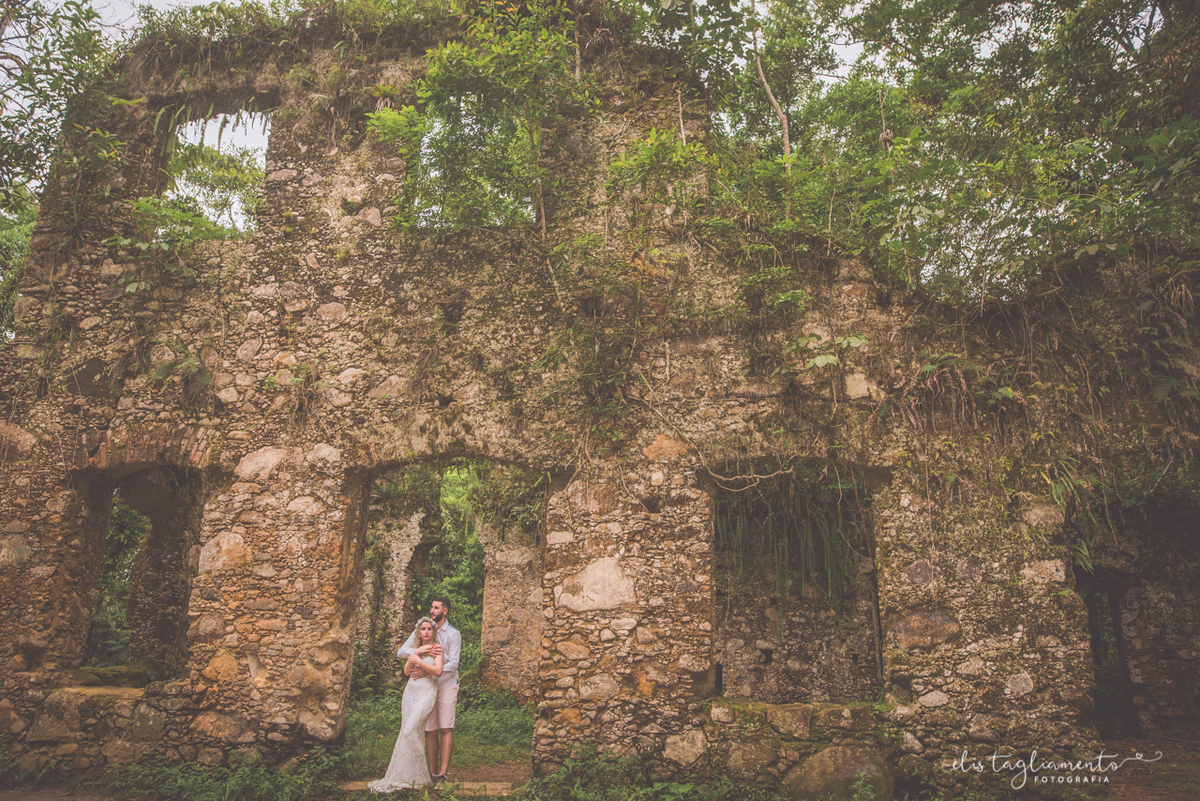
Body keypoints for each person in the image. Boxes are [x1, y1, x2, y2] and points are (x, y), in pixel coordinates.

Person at [367, 617, 443, 793]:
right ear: (419, 632)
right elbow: (406, 671)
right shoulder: (416, 649)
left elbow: (438, 672)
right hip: (411, 693)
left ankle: (420, 776)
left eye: (429, 629)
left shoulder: (438, 649)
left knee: (411, 730)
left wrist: (422, 664)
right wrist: (416, 654)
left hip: (427, 692)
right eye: (423, 629)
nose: (426, 632)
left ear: (433, 631)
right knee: (408, 732)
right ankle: (409, 776)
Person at [397, 597, 461, 782]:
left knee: (446, 727)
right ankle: (432, 773)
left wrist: (428, 672)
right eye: (431, 607)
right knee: (430, 728)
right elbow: (402, 651)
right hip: (426, 688)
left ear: (445, 611)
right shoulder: (425, 628)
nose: (432, 611)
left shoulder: (453, 633)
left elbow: (454, 663)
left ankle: (443, 773)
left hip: (447, 684)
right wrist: (419, 653)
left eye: (436, 608)